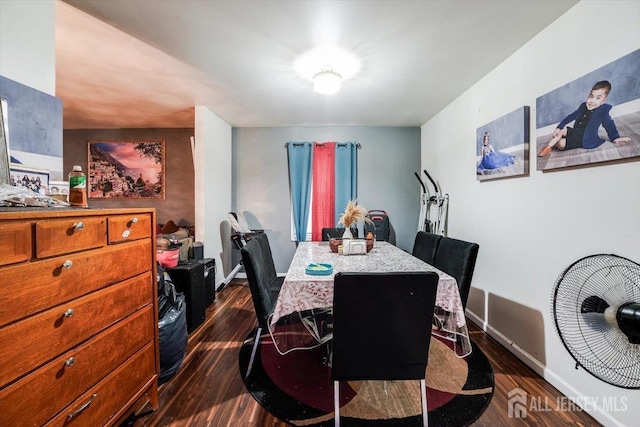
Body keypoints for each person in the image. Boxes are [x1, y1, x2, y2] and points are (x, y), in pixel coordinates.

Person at [538, 80, 630, 157]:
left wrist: (615, 138)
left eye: (598, 98)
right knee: (562, 130)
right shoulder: (583, 106)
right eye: (591, 96)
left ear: (603, 101)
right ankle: (548, 147)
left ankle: (553, 144)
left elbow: (609, 125)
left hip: (582, 138)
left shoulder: (602, 111)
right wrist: (559, 127)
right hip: (575, 132)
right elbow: (571, 116)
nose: (592, 101)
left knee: (560, 144)